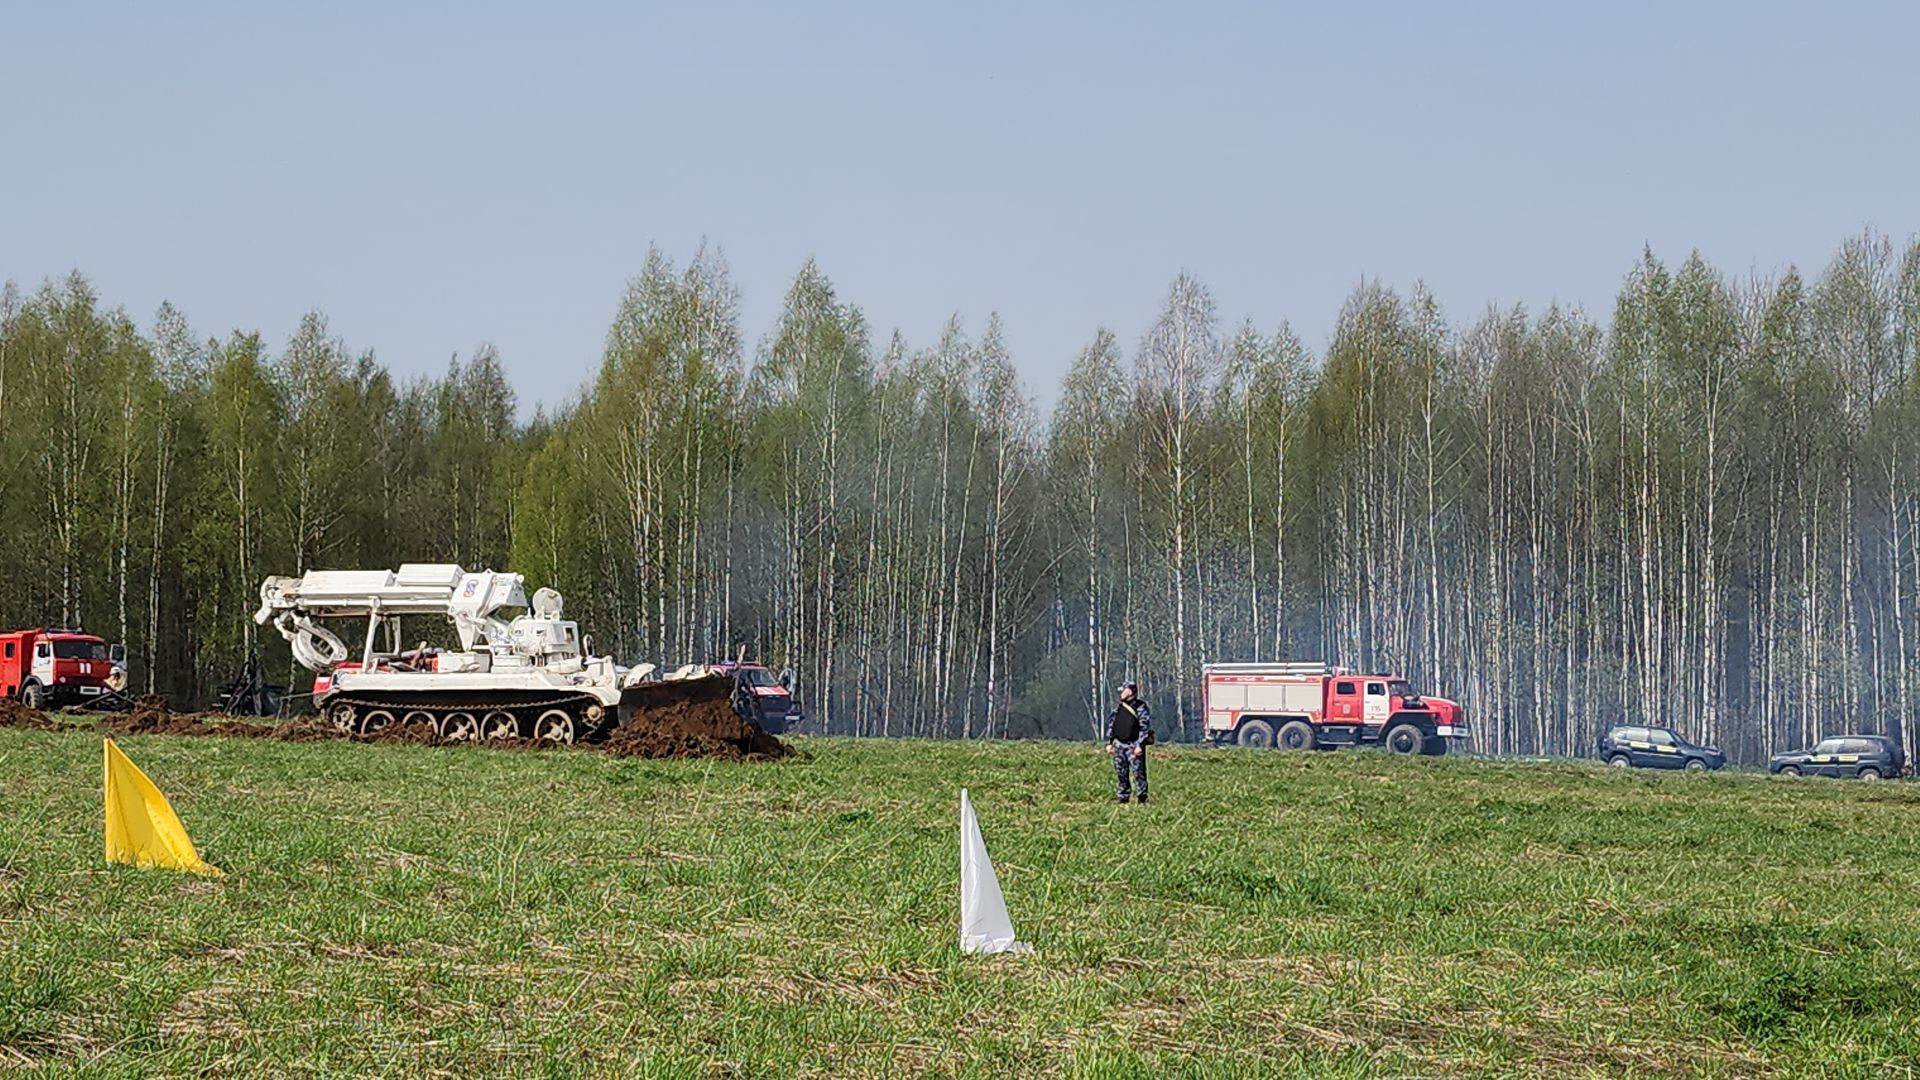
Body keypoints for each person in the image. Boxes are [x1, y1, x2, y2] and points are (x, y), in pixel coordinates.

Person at [1106, 681, 1152, 803]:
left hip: (1134, 744)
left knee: (1138, 773)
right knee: (1121, 772)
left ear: (1131, 692)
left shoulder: (1141, 707)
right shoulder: (1119, 707)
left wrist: (1140, 745)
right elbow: (1113, 724)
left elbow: (1144, 727)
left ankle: (1142, 797)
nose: (1121, 693)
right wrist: (1110, 742)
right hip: (1119, 744)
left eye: (1124, 690)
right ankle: (1123, 797)